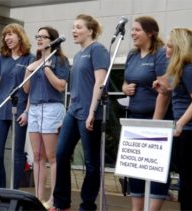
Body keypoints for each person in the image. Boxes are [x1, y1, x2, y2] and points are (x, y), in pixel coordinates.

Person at [51, 14, 110, 211]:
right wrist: (68, 114)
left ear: (90, 30)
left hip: (89, 112)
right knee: (61, 154)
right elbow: (76, 87)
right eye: (73, 27)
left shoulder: (98, 50)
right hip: (73, 111)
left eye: (78, 27)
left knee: (91, 161)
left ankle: (87, 204)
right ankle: (61, 202)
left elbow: (99, 83)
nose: (74, 31)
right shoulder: (76, 56)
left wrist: (92, 111)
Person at [122, 16, 172, 211]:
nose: (132, 33)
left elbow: (164, 90)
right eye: (132, 30)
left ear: (150, 32)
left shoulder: (159, 54)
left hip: (154, 119)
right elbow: (126, 81)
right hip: (134, 118)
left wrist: (155, 124)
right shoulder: (132, 55)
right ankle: (136, 208)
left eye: (137, 30)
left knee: (156, 167)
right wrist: (125, 88)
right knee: (135, 167)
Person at [153, 28, 192, 211]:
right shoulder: (181, 70)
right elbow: (185, 95)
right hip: (185, 129)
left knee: (189, 178)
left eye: (170, 45)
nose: (166, 48)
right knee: (185, 177)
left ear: (180, 47)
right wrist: (166, 90)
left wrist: (180, 123)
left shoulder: (190, 70)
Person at [23, 26, 69, 209]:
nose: (40, 39)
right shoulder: (33, 62)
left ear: (53, 40)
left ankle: (54, 198)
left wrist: (47, 69)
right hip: (34, 108)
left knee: (52, 156)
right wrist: (29, 69)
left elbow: (60, 87)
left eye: (44, 37)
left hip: (52, 108)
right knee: (37, 155)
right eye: (38, 36)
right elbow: (26, 90)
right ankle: (37, 198)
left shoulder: (61, 61)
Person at [0, 23, 34, 189]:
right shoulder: (2, 58)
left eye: (11, 34)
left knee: (18, 154)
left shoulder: (30, 58)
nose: (7, 38)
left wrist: (27, 111)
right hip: (0, 109)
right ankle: (1, 189)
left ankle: (14, 191)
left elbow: (32, 88)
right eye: (5, 35)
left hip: (20, 109)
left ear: (20, 36)